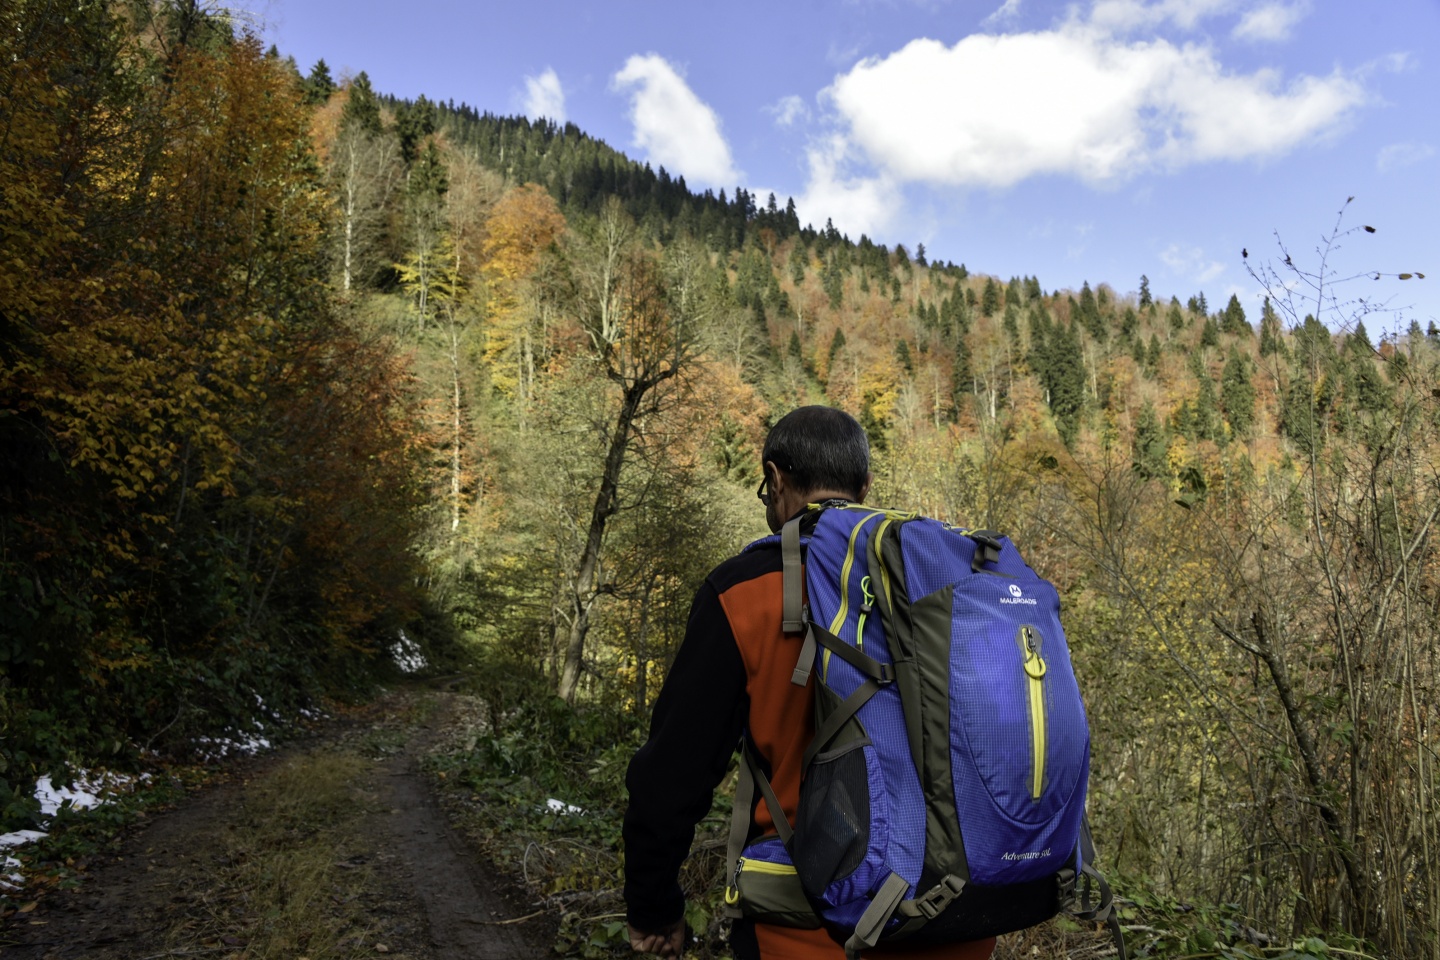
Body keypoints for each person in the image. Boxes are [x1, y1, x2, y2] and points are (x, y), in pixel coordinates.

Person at [623, 406, 996, 960]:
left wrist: (654, 907)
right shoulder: (951, 583)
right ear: (865, 487)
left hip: (808, 935)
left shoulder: (745, 592)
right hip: (957, 924)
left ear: (775, 479)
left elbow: (673, 775)